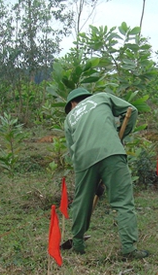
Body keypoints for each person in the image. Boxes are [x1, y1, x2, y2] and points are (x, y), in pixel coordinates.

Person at [63, 87, 148, 259]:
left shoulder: (69, 119)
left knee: (81, 202)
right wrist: (119, 137)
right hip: (111, 151)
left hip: (83, 159)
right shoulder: (102, 97)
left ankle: (78, 243)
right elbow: (131, 110)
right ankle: (129, 249)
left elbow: (72, 150)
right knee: (123, 201)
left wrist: (88, 175)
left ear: (73, 103)